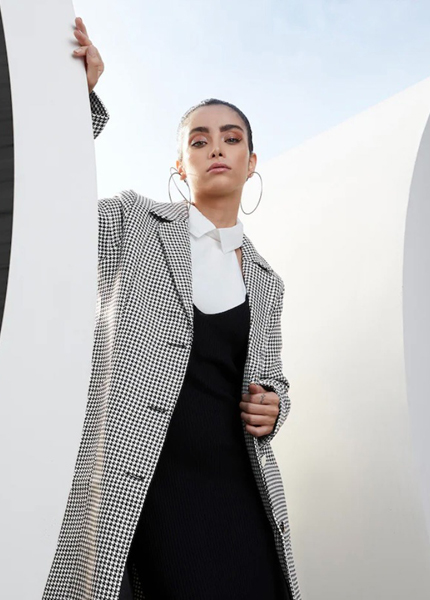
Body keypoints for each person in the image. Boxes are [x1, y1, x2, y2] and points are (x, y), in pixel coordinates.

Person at [42, 17, 301, 600]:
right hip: (143, 482)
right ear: (180, 165)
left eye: (231, 138)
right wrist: (78, 102)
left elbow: (271, 379)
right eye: (199, 140)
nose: (216, 148)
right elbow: (56, 202)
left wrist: (275, 405)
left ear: (251, 161)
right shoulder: (131, 222)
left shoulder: (268, 281)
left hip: (238, 485)